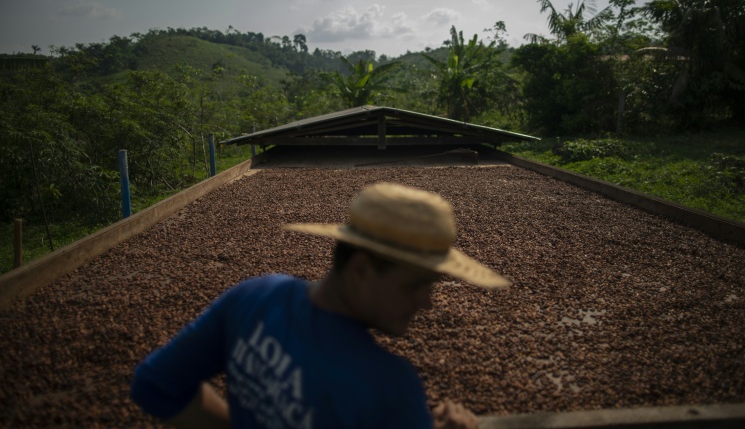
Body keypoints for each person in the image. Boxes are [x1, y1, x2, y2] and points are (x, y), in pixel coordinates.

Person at [131, 182, 510, 428]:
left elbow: (156, 385)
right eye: (415, 285)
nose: (427, 303)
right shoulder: (389, 389)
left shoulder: (254, 295)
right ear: (361, 270)